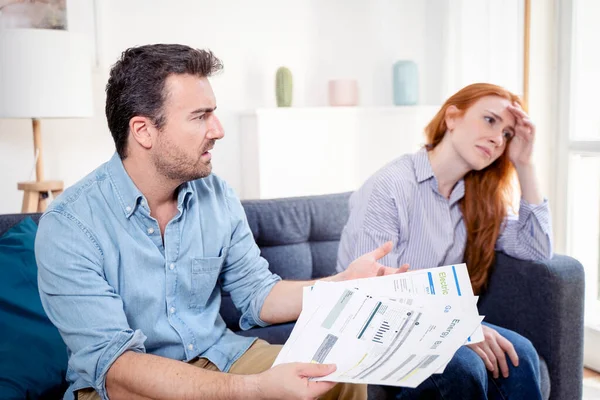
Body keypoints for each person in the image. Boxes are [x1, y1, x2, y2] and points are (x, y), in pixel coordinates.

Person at [35, 44, 408, 400]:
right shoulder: (70, 226)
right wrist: (258, 389)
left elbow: (259, 295)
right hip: (127, 383)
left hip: (220, 355)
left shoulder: (216, 195)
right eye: (200, 116)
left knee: (335, 375)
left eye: (212, 112)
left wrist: (343, 285)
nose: (218, 129)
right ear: (143, 130)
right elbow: (116, 369)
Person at [336, 83, 552, 399]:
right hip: (373, 327)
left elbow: (536, 249)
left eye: (506, 134)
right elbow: (376, 298)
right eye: (490, 120)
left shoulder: (478, 197)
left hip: (436, 324)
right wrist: (458, 329)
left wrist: (525, 163)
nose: (497, 139)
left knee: (520, 354)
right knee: (462, 366)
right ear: (452, 117)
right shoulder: (391, 186)